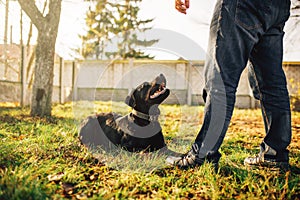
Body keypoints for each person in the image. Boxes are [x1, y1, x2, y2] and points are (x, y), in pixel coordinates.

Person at [167, 0, 292, 171]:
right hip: (278, 7)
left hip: (242, 5)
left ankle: (203, 154)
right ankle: (275, 156)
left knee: (219, 80)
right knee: (271, 83)